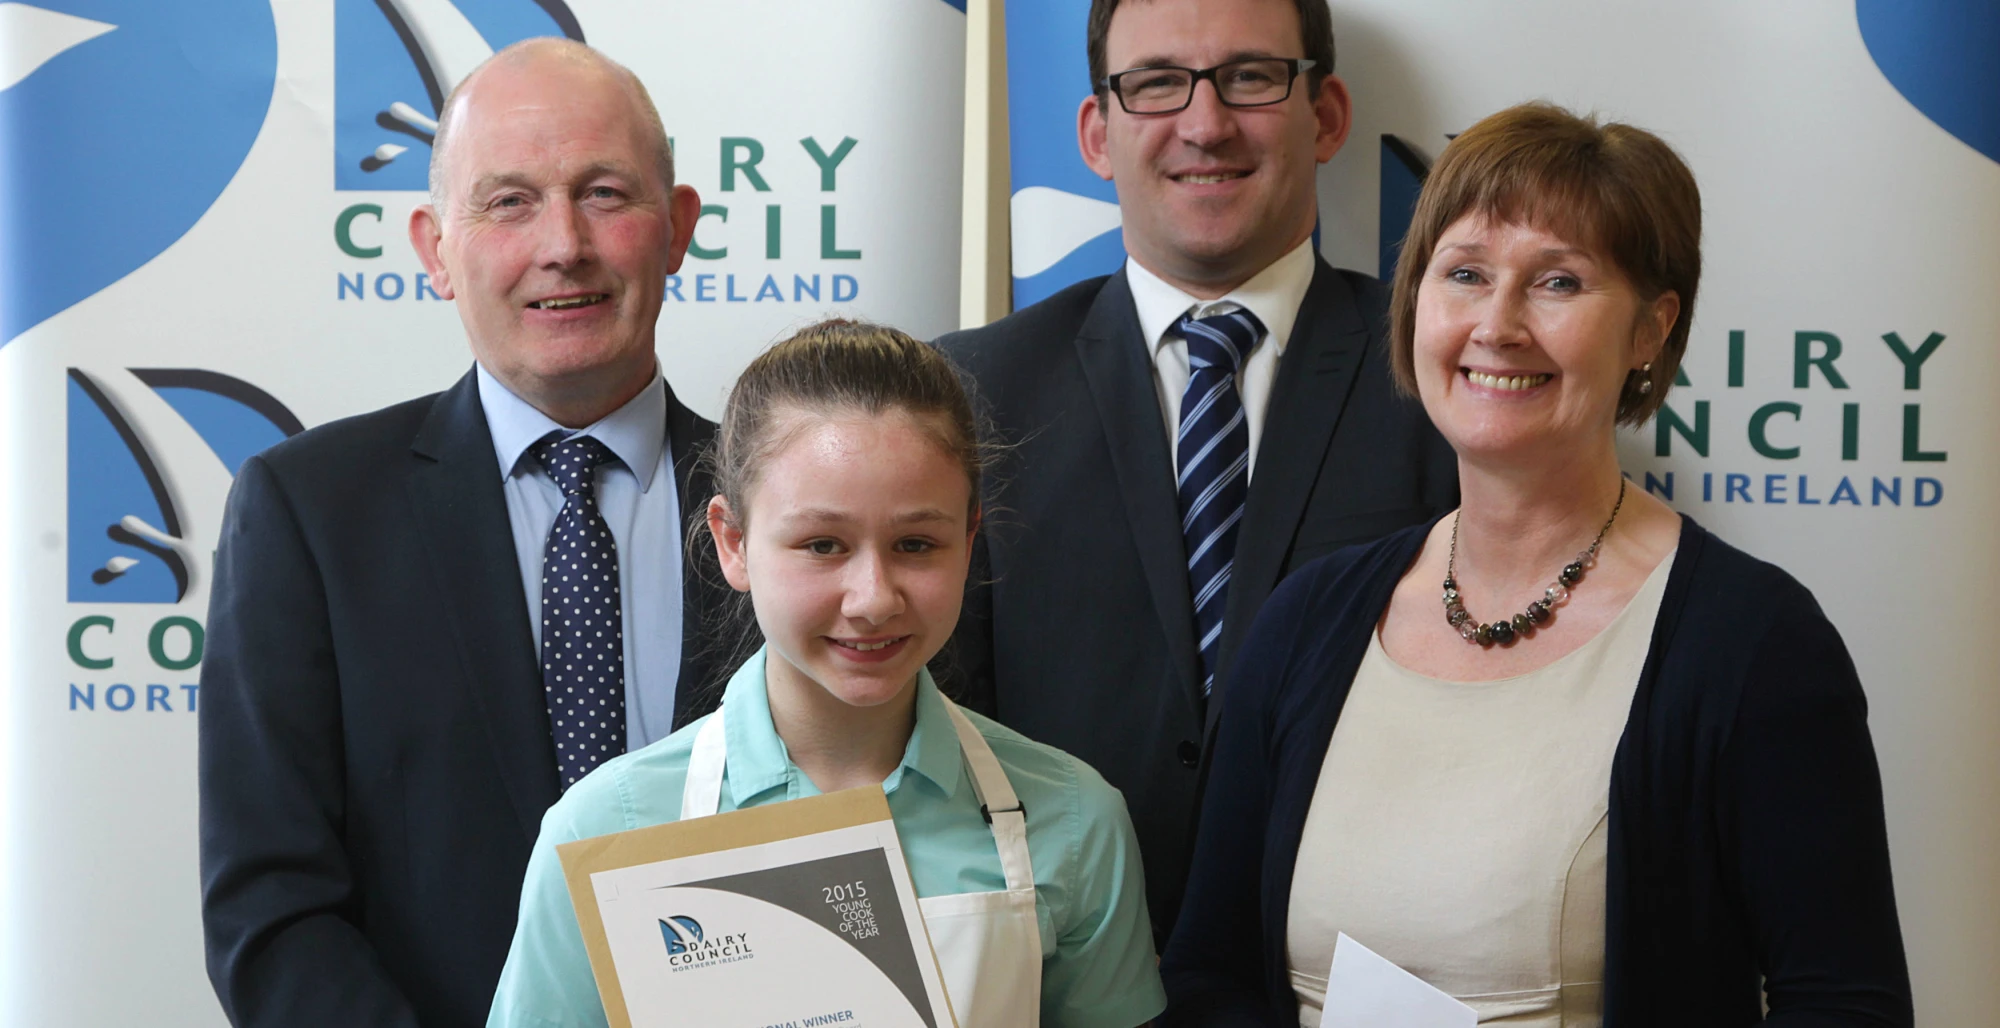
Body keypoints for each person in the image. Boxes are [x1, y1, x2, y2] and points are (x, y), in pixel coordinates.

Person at [1161, 103, 1912, 1026]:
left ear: (1650, 331)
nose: (1498, 324)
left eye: (1558, 282)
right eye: (1465, 274)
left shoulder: (1754, 644)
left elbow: (1845, 1006)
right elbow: (1211, 973)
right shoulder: (1307, 620)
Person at [199, 39, 730, 1028]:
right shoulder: (310, 514)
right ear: (435, 250)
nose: (562, 243)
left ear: (678, 228)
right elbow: (271, 914)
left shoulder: (789, 510)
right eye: (508, 201)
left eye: (604, 193)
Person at [935, 0, 1458, 938]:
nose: (1205, 124)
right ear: (1097, 134)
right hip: (1056, 968)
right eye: (1157, 83)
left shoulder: (1444, 383)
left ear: (1327, 115)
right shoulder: (970, 396)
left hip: (1363, 966)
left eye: (1250, 77)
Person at [488, 320, 1167, 1028]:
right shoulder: (604, 832)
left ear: (969, 541)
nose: (873, 599)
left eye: (916, 544)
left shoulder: (1075, 822)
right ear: (733, 542)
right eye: (822, 545)